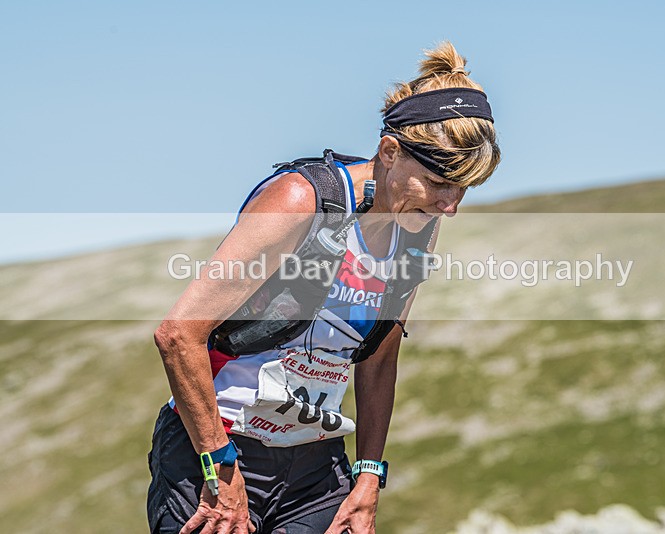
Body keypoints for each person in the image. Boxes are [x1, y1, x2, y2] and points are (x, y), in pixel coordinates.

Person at [148, 41, 500, 534]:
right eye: (439, 183)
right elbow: (178, 335)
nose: (450, 206)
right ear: (390, 152)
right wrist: (220, 470)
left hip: (316, 468)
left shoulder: (416, 224)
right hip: (218, 450)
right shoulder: (303, 200)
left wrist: (369, 475)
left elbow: (380, 355)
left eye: (463, 189)